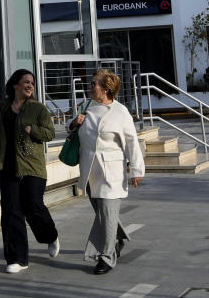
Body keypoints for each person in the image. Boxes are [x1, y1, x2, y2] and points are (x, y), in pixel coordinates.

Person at [68, 69, 145, 275]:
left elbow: (132, 142)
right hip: (89, 170)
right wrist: (74, 123)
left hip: (111, 170)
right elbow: (72, 128)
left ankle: (106, 257)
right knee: (103, 214)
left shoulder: (120, 112)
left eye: (94, 84)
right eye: (91, 83)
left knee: (107, 213)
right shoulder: (86, 105)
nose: (91, 87)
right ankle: (118, 239)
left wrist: (137, 169)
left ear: (106, 89)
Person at [0, 69, 60, 273]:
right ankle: (16, 259)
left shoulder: (38, 108)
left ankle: (50, 236)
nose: (30, 85)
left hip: (32, 167)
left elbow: (50, 133)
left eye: (32, 83)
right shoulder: (3, 107)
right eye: (26, 81)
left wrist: (32, 130)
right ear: (15, 85)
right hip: (6, 166)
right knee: (11, 212)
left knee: (33, 206)